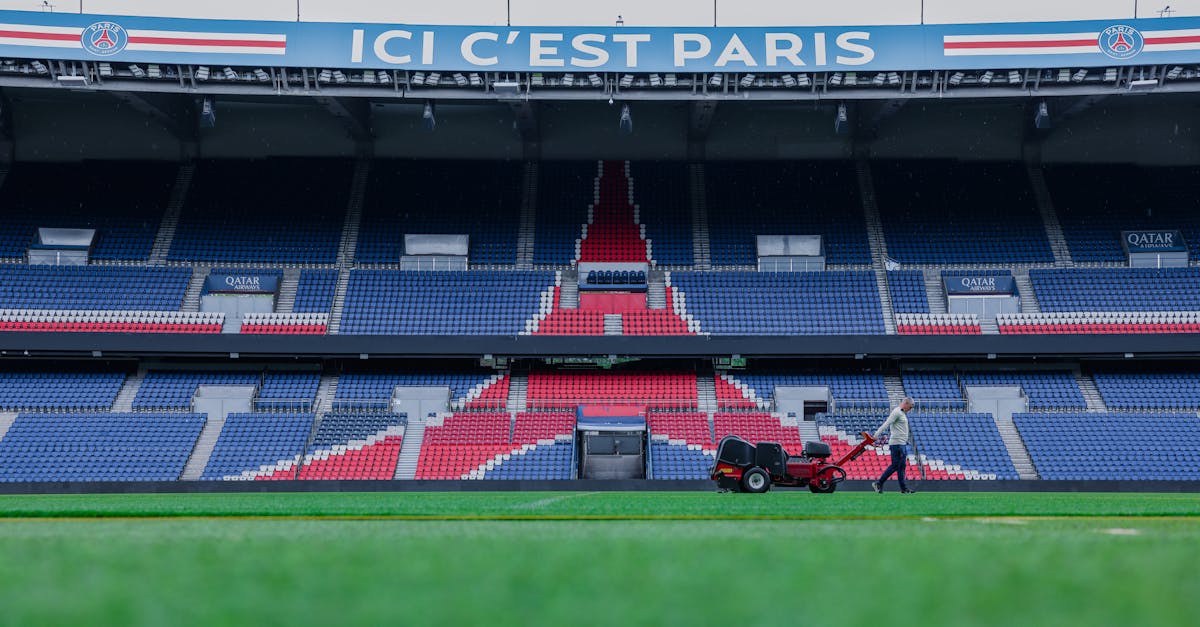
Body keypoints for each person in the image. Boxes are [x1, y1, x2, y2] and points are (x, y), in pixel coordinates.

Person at [872, 397, 917, 494]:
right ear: (905, 403)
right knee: (896, 465)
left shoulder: (902, 413)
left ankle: (903, 488)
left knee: (901, 467)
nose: (910, 409)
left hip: (901, 444)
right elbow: (886, 424)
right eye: (910, 407)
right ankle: (879, 483)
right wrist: (876, 435)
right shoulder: (897, 412)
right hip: (897, 444)